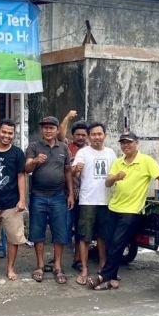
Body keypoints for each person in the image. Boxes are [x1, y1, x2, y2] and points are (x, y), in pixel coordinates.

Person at [88, 131, 159, 291]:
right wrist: (116, 177)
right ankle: (112, 279)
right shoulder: (118, 162)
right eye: (123, 143)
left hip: (132, 211)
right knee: (109, 243)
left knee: (117, 245)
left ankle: (103, 276)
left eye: (129, 142)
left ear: (136, 143)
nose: (126, 146)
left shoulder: (146, 161)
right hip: (113, 208)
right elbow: (107, 183)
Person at [25, 115, 74, 284]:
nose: (48, 130)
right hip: (38, 195)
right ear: (41, 130)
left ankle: (58, 266)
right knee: (37, 233)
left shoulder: (64, 148)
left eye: (51, 127)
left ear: (57, 130)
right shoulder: (34, 146)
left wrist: (71, 193)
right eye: (45, 127)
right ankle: (39, 266)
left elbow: (68, 171)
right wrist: (36, 161)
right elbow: (26, 168)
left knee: (59, 232)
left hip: (58, 196)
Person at [71, 122, 117, 286]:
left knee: (103, 236)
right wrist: (77, 169)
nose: (97, 137)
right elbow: (74, 172)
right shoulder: (83, 152)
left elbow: (115, 175)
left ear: (105, 135)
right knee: (85, 237)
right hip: (88, 201)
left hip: (106, 201)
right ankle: (84, 269)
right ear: (89, 137)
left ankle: (102, 266)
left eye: (100, 134)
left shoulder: (111, 153)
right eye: (94, 134)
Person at [0, 118, 27, 281]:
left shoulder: (17, 153)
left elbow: (21, 176)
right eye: (4, 132)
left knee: (13, 239)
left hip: (12, 203)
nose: (7, 136)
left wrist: (22, 199)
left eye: (10, 133)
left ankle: (10, 268)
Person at [58, 111, 89, 270]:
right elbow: (60, 134)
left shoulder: (91, 150)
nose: (81, 137)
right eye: (78, 134)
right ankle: (58, 262)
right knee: (64, 228)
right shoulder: (66, 146)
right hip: (67, 195)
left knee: (80, 230)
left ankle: (78, 259)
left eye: (84, 135)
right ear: (73, 135)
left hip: (85, 197)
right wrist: (67, 118)